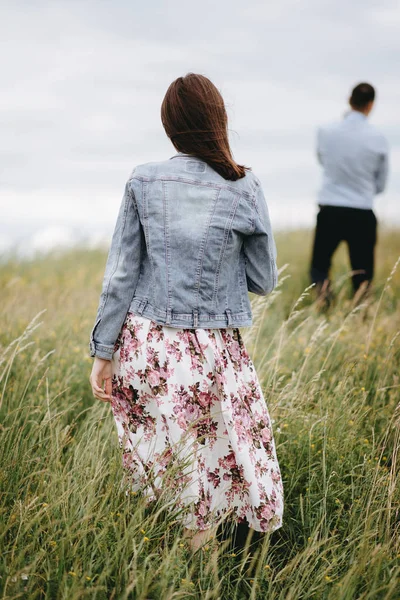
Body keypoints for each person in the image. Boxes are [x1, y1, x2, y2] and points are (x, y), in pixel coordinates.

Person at [89, 73, 283, 552]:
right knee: (221, 457)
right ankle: (213, 573)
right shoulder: (243, 183)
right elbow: (264, 279)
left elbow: (120, 276)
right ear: (218, 121)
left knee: (175, 464)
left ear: (169, 125)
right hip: (215, 349)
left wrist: (102, 351)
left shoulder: (141, 179)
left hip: (147, 345)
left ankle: (190, 573)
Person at [310, 82, 389, 303]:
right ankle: (360, 315)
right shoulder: (379, 139)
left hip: (330, 208)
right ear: (371, 105)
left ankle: (325, 308)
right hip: (362, 211)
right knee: (363, 273)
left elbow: (322, 160)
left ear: (349, 99)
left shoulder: (325, 132)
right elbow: (381, 185)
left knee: (319, 267)